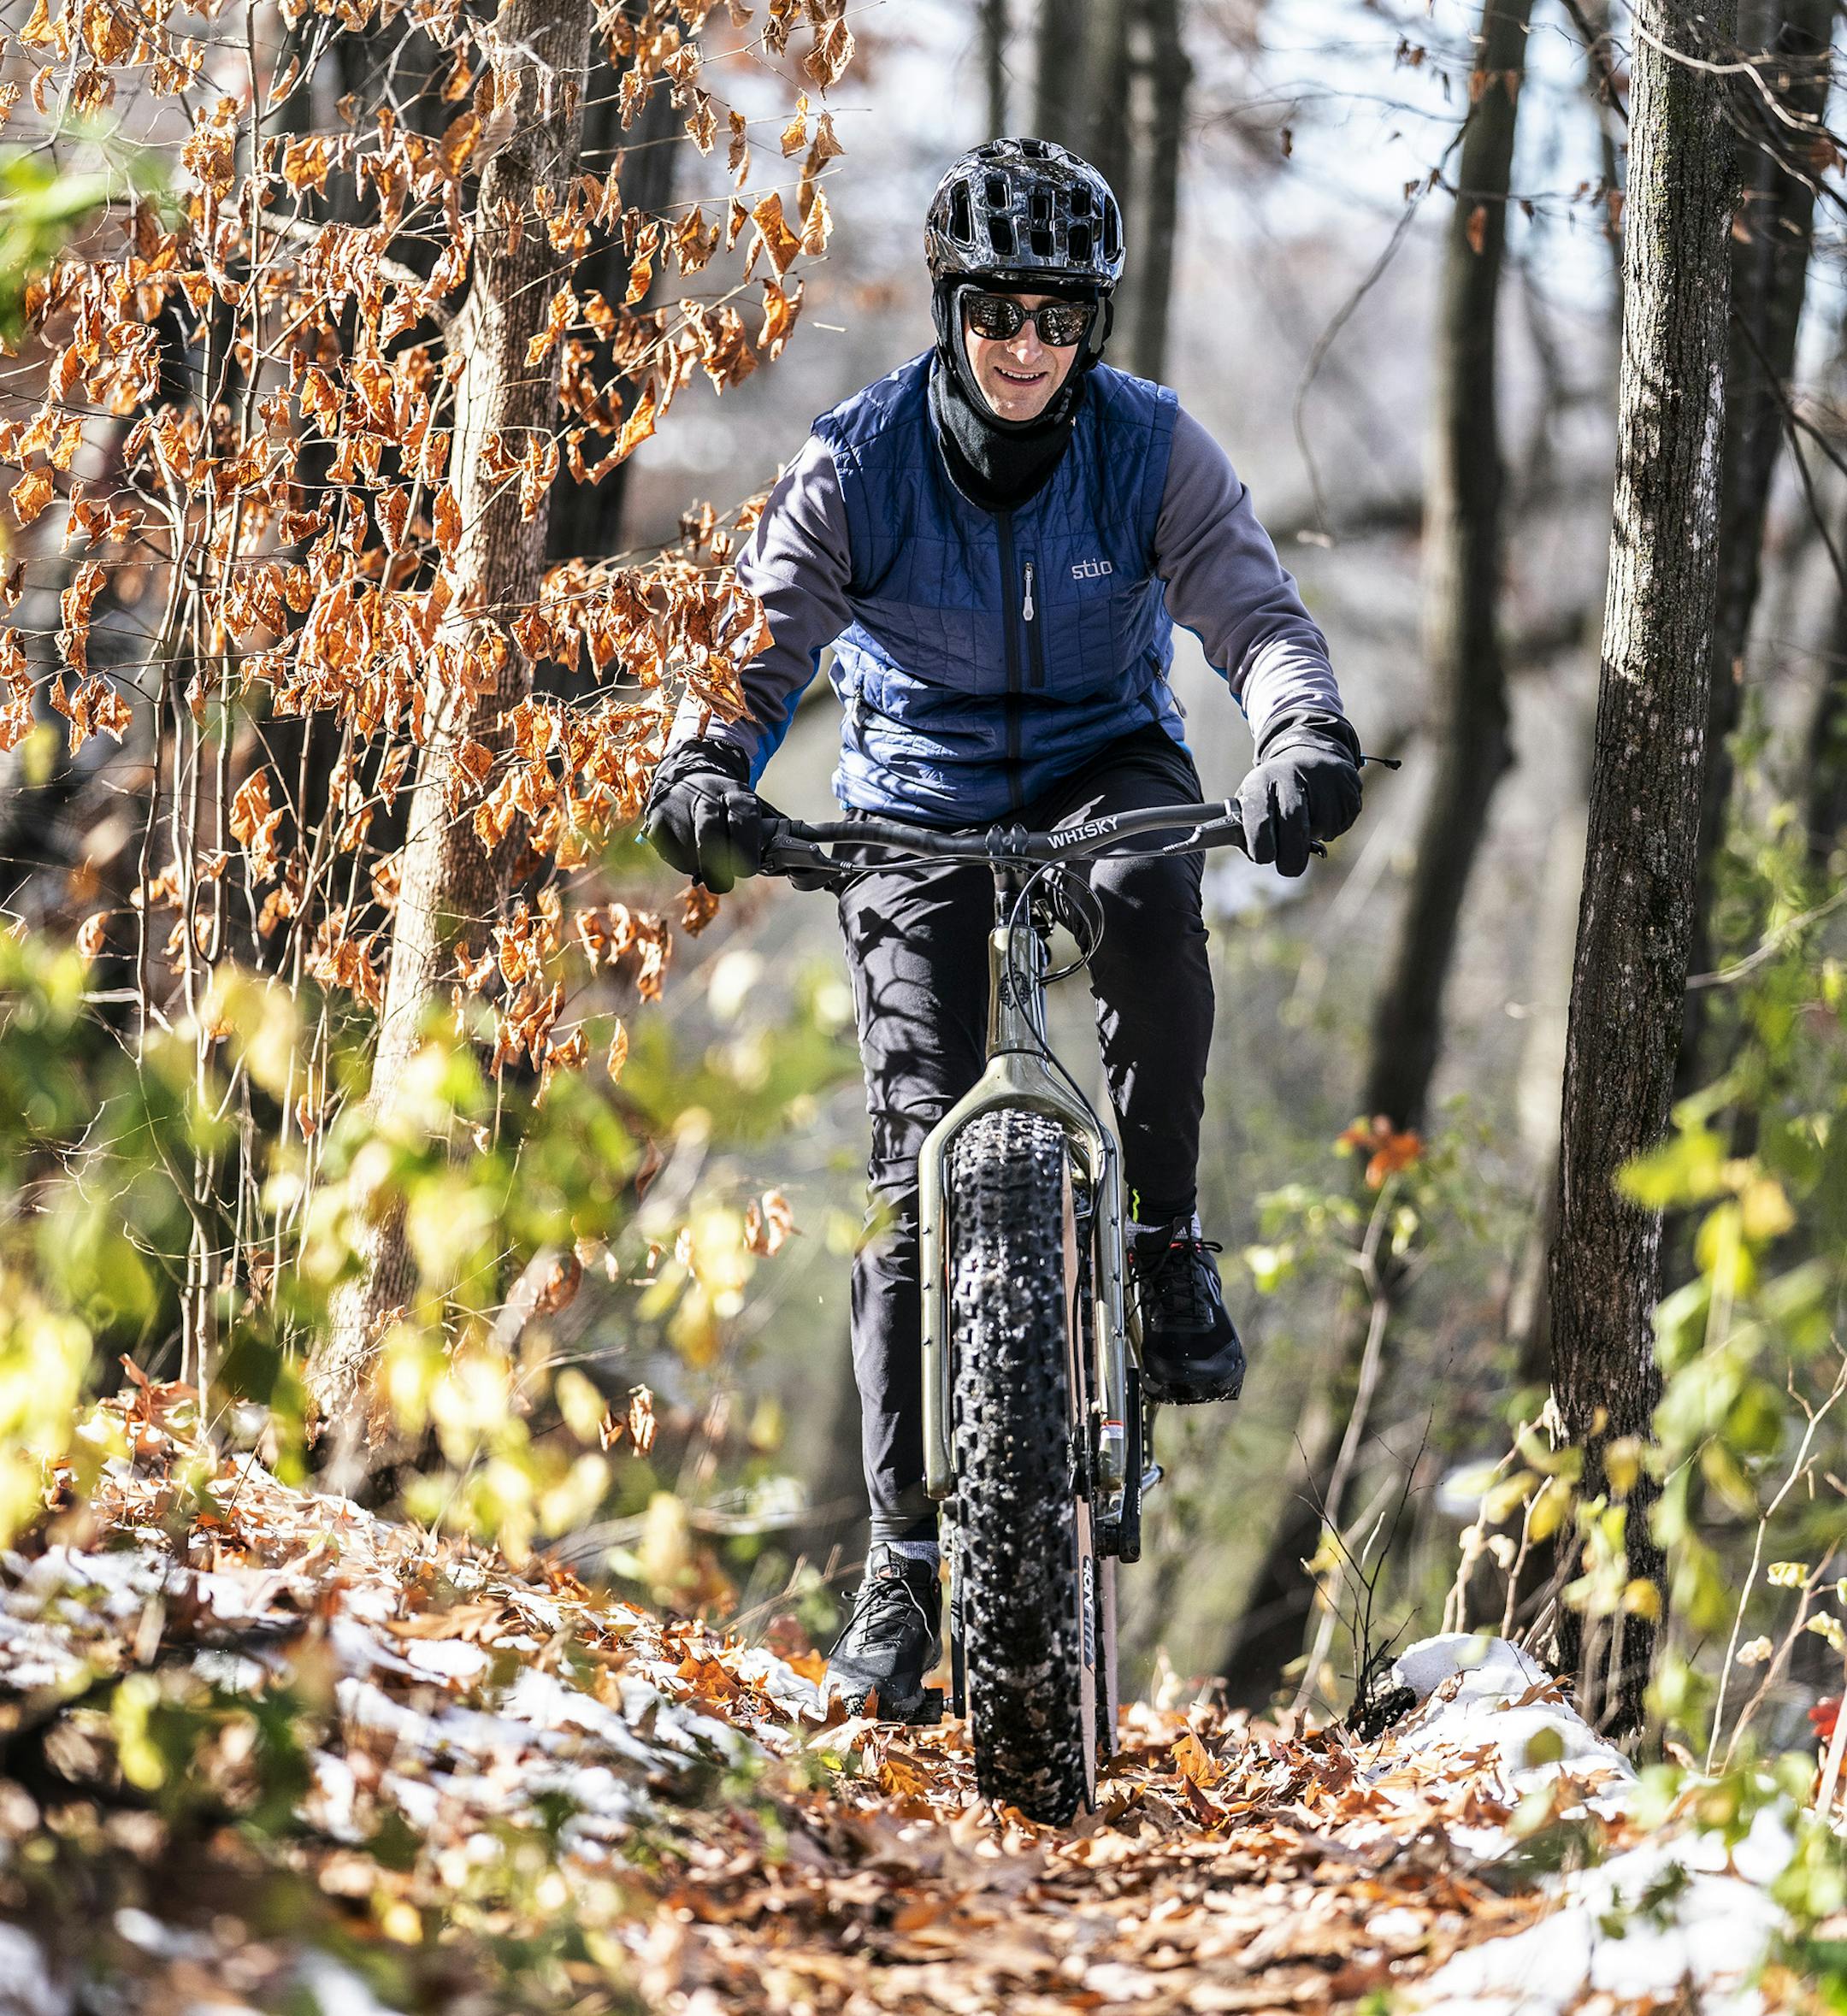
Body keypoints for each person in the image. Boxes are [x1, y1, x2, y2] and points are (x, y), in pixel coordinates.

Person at [644, 139, 1363, 1718]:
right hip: (916, 796)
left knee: (1151, 898)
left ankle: (1162, 1243)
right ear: (950, 308)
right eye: (995, 312)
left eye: (1057, 315)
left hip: (1107, 767)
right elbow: (754, 652)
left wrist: (1303, 735)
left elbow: (1258, 618)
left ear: (1090, 325)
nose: (1025, 345)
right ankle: (906, 1566)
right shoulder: (857, 462)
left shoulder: (1150, 446)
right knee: (914, 1166)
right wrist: (703, 766)